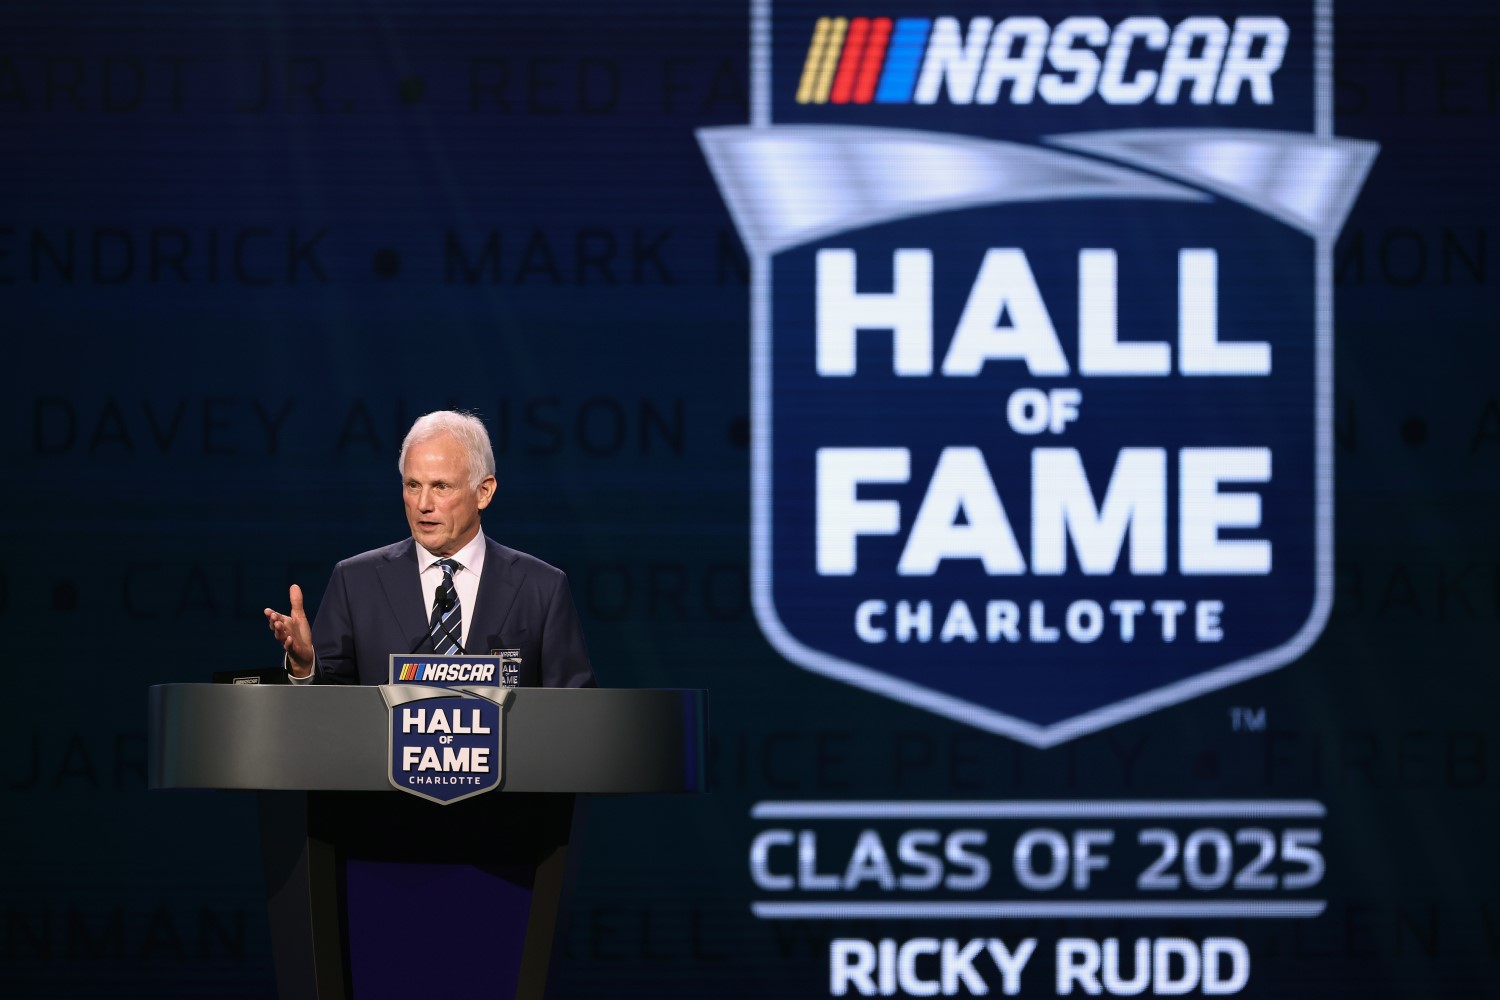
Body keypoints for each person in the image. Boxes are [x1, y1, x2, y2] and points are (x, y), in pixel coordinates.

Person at [263, 410, 595, 687]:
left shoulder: (541, 587)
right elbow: (327, 717)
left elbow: (574, 711)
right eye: (413, 485)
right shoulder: (356, 581)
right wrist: (305, 667)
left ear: (484, 492)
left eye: (441, 487)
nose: (423, 504)